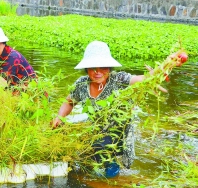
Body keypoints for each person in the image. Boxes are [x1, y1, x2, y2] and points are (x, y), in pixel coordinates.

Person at [52, 40, 184, 177]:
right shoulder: (81, 83)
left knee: (106, 163)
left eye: (103, 67)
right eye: (93, 68)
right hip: (93, 130)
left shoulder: (118, 79)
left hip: (116, 133)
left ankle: (112, 161)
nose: (98, 72)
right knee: (77, 152)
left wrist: (166, 65)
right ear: (87, 68)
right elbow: (69, 102)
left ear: (109, 68)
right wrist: (59, 117)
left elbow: (143, 79)